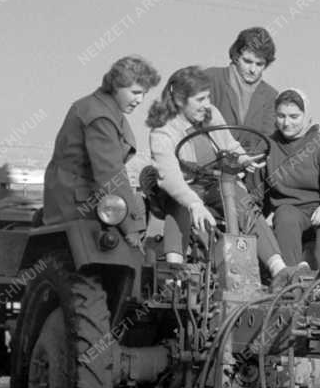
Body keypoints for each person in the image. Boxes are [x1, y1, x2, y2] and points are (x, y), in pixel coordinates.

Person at [145, 66, 296, 282]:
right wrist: (194, 204)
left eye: (207, 97)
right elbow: (170, 177)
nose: (207, 104)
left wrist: (243, 158)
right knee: (178, 207)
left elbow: (227, 143)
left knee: (243, 201)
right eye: (200, 99)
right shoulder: (163, 131)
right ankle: (174, 275)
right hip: (185, 188)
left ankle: (278, 269)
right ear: (179, 100)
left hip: (214, 183)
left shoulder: (211, 114)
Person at [44, 55, 160, 249]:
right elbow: (109, 173)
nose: (140, 100)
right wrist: (130, 229)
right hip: (78, 206)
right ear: (116, 86)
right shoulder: (100, 116)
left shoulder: (103, 109)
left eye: (143, 94)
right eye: (135, 92)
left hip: (87, 199)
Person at [255, 89, 320, 277]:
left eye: (294, 116)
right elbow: (255, 191)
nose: (286, 122)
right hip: (290, 213)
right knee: (285, 214)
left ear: (307, 117)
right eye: (281, 116)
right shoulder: (267, 146)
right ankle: (290, 279)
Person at [206, 27, 278, 153]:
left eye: (259, 64)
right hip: (205, 165)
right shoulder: (211, 78)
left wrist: (249, 160)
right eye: (247, 61)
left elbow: (267, 139)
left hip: (248, 167)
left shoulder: (270, 96)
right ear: (236, 56)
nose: (253, 69)